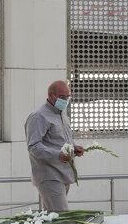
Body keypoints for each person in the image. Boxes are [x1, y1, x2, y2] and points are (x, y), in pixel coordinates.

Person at [24, 80, 84, 211]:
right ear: (51, 96)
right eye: (62, 97)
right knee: (62, 216)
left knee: (52, 216)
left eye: (68, 96)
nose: (66, 100)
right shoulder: (39, 116)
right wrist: (58, 155)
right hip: (49, 175)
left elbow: (61, 141)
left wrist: (74, 148)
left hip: (63, 173)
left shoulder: (62, 114)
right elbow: (33, 147)